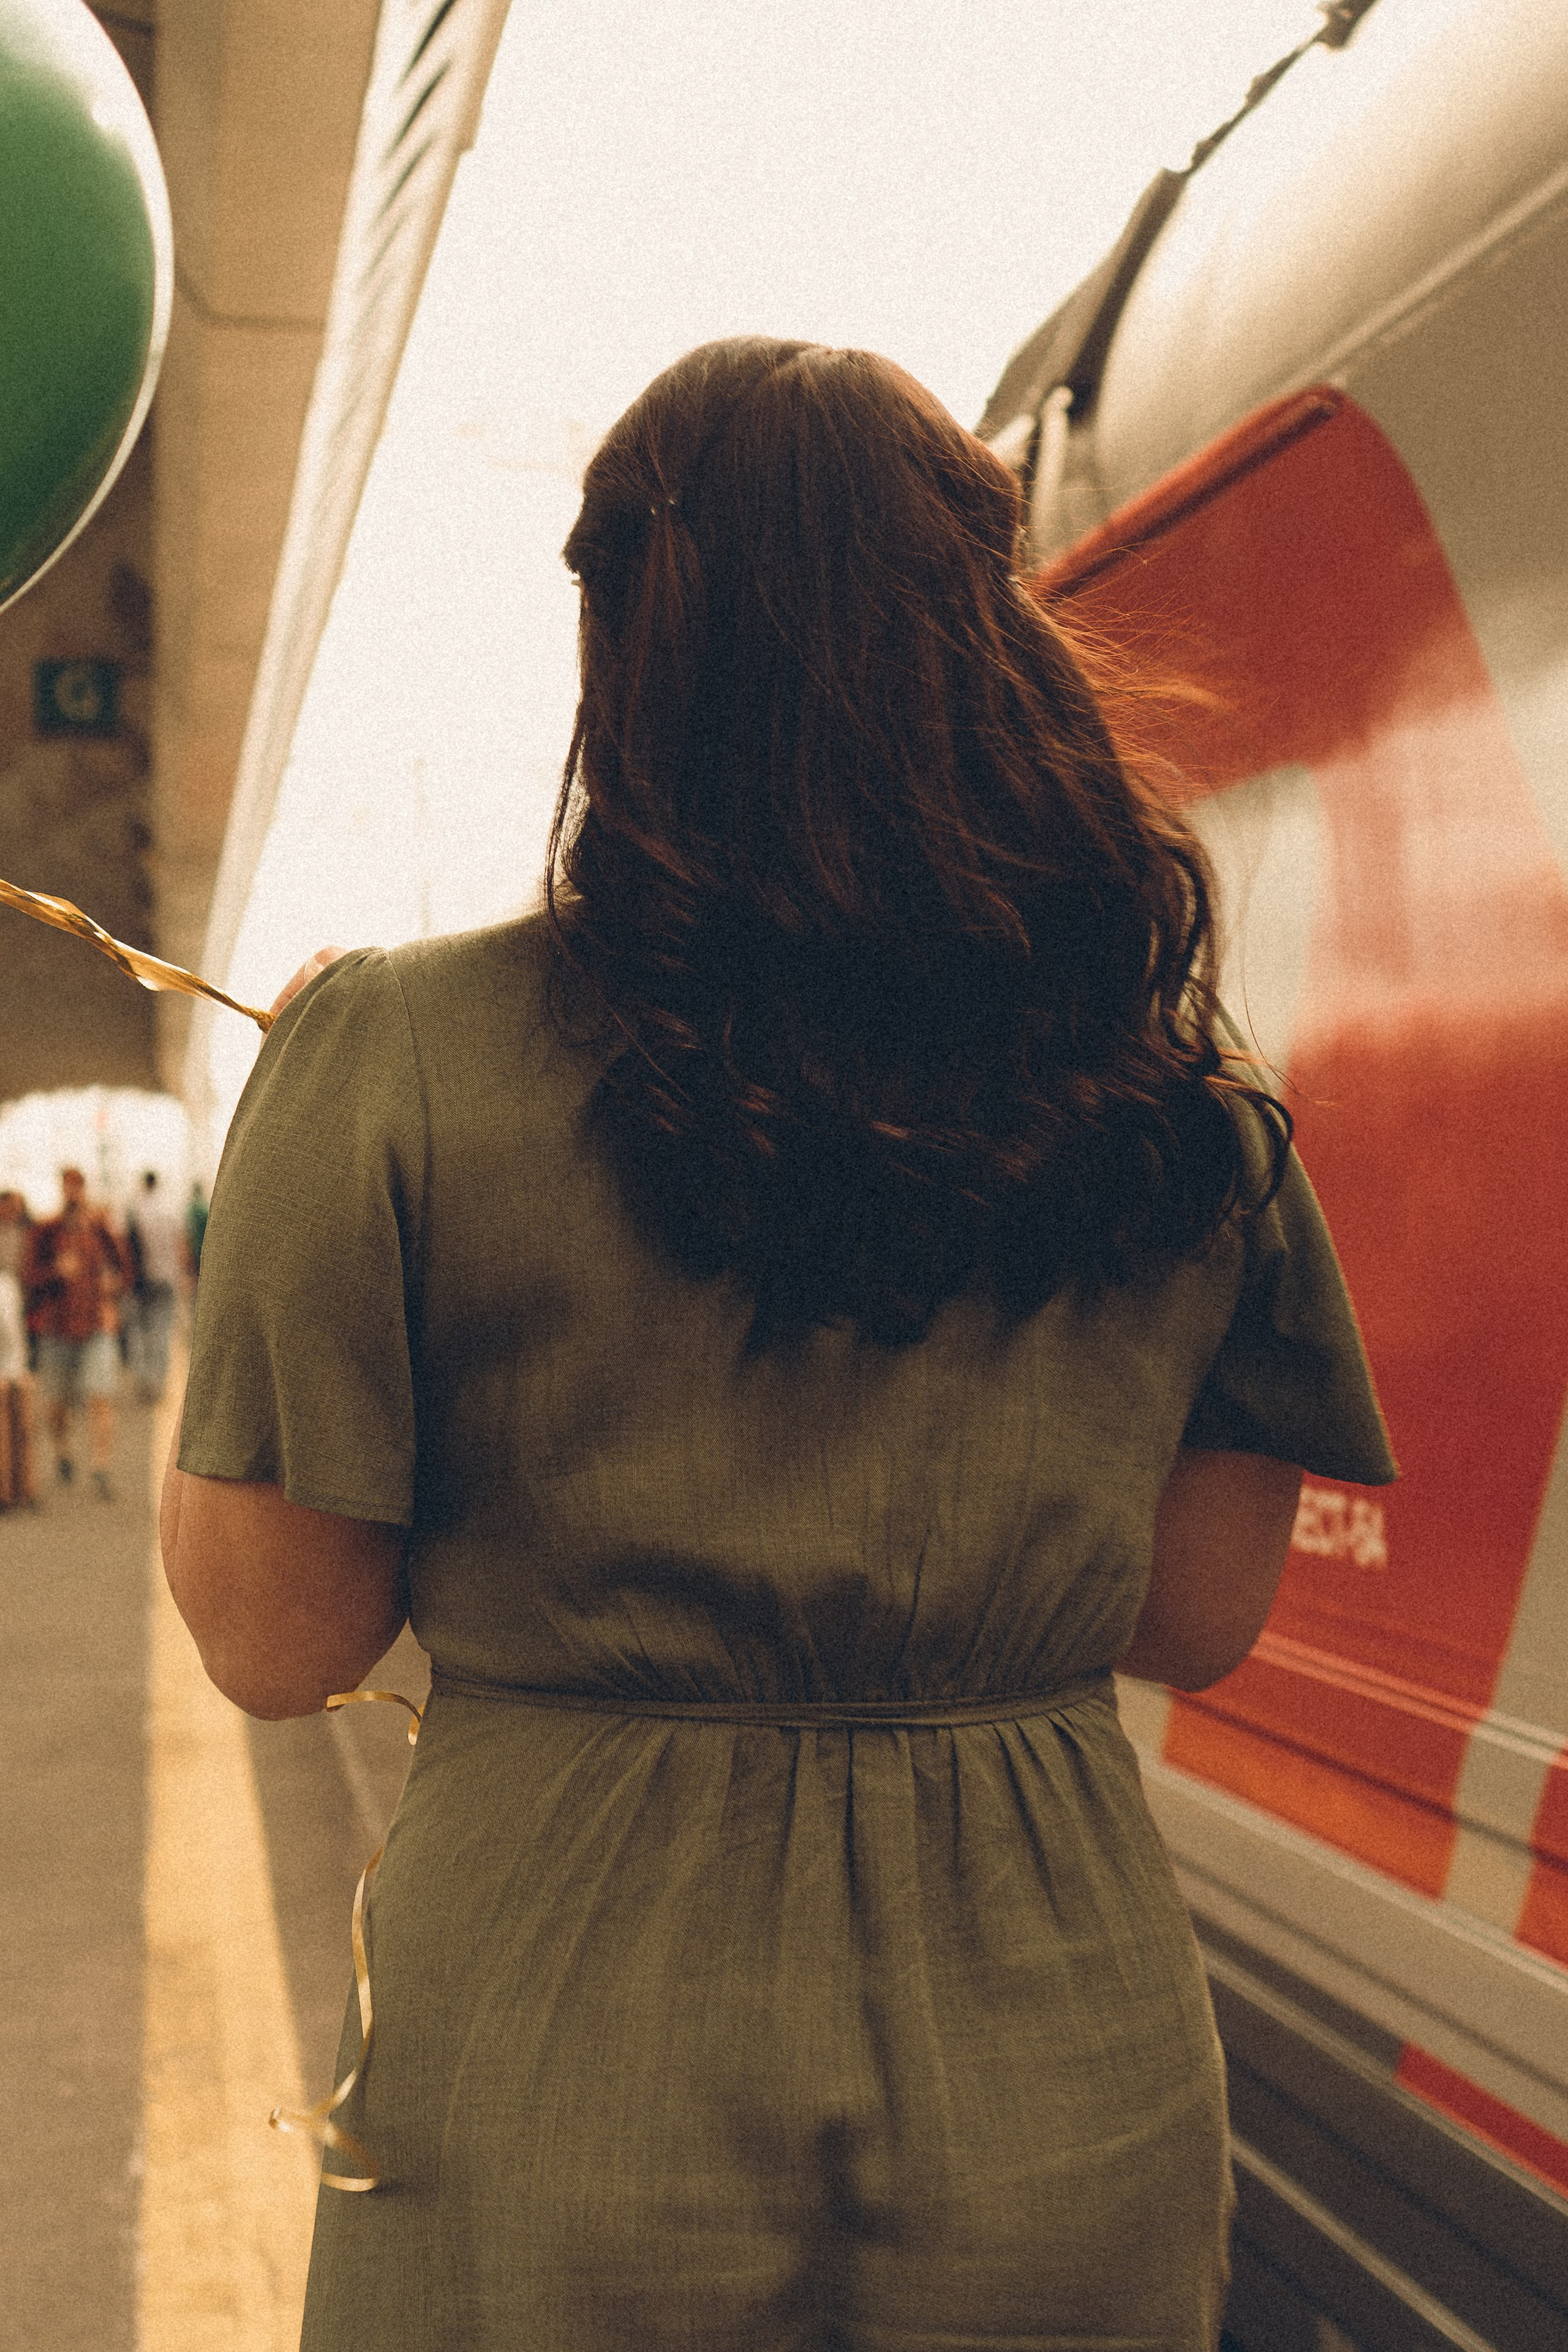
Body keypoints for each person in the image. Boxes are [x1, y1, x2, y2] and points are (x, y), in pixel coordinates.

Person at [162, 340, 1396, 2351]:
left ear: (622, 645)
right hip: (1058, 2068)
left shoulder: (386, 1055)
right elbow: (1196, 1617)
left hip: (566, 2059)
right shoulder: (1178, 1100)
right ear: (982, 633)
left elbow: (276, 1642)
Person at [29, 1165, 129, 1501]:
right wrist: (56, 1272)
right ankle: (63, 1453)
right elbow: (30, 1277)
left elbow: (124, 1268)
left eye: (78, 1187)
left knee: (101, 1397)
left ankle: (101, 1467)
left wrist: (113, 1285)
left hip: (95, 1326)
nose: (73, 1194)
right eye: (68, 1187)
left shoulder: (100, 1229)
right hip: (57, 1328)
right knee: (56, 1406)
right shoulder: (47, 1231)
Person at [124, 1169, 186, 1403]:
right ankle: (158, 1382)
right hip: (166, 1277)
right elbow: (181, 1244)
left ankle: (142, 1381)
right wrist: (184, 1275)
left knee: (138, 1331)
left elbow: (124, 1246)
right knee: (161, 1330)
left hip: (138, 1281)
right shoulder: (170, 1208)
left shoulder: (134, 1207)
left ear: (143, 1183)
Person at [0, 1188, 37, 1508]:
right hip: (11, 1314)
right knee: (13, 1419)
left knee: (18, 1419)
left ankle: (18, 1489)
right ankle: (14, 1489)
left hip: (16, 1312)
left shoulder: (27, 1230)